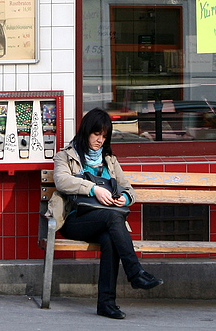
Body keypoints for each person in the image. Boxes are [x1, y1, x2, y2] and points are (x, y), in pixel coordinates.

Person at [46, 108, 162, 319]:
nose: (100, 140)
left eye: (104, 136)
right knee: (114, 217)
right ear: (86, 132)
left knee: (110, 238)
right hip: (76, 219)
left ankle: (106, 304)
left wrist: (123, 198)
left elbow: (129, 190)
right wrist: (94, 189)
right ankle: (135, 273)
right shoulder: (66, 156)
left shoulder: (109, 160)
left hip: (106, 220)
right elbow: (62, 181)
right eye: (96, 134)